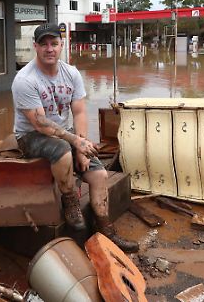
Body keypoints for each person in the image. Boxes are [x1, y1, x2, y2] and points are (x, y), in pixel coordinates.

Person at [11, 23, 138, 253]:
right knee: (60, 150)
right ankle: (69, 198)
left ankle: (105, 231)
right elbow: (40, 123)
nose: (49, 49)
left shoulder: (71, 73)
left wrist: (80, 147)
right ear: (35, 47)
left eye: (54, 43)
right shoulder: (25, 79)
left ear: (62, 46)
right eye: (44, 44)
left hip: (65, 133)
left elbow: (79, 112)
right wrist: (74, 142)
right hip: (30, 136)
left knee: (99, 174)